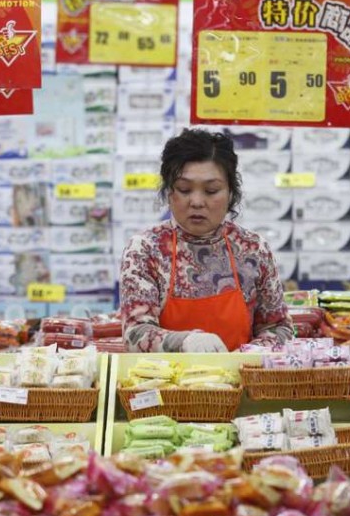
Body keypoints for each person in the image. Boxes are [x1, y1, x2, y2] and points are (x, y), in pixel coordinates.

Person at [119, 129, 294, 352]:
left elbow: (279, 327)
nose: (197, 201)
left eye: (211, 190)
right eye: (184, 189)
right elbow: (135, 333)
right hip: (168, 383)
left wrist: (250, 354)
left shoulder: (252, 248)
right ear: (168, 191)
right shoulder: (146, 250)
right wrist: (183, 343)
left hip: (242, 380)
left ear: (231, 192)